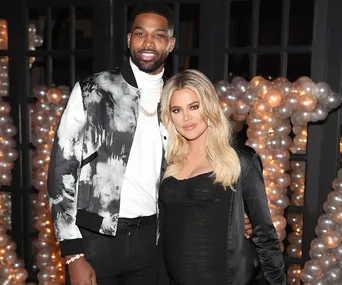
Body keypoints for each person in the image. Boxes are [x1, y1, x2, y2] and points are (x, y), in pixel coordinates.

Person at [47, 2, 252, 285]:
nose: (148, 42)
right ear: (129, 39)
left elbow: (201, 160)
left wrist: (235, 214)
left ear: (170, 43)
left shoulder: (176, 100)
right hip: (96, 240)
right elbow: (61, 172)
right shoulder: (93, 90)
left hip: (154, 242)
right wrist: (72, 253)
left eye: (158, 35)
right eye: (140, 33)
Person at [159, 69, 286, 285]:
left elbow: (265, 234)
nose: (186, 117)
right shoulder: (167, 161)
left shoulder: (239, 160)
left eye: (194, 107)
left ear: (209, 106)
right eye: (177, 110)